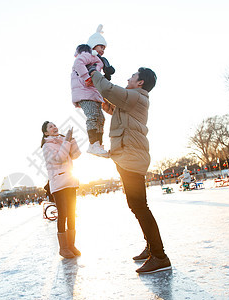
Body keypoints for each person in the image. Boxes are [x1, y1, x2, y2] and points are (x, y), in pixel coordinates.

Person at [88, 66, 171, 273]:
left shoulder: (136, 97)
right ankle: (152, 248)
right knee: (136, 206)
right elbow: (110, 106)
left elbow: (109, 91)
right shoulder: (130, 101)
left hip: (132, 158)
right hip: (126, 157)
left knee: (140, 206)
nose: (128, 78)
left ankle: (159, 256)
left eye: (133, 76)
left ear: (140, 82)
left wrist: (93, 72)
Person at [71, 24, 114, 157]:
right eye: (101, 47)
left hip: (93, 93)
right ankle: (93, 144)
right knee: (93, 116)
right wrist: (86, 77)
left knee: (101, 119)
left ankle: (98, 145)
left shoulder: (98, 60)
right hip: (84, 92)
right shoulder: (87, 54)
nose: (103, 50)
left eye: (104, 48)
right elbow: (78, 64)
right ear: (94, 45)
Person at [41, 121, 81, 259]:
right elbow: (59, 158)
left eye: (54, 125)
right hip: (59, 183)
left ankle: (71, 245)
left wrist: (72, 140)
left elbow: (75, 155)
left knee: (71, 213)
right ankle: (63, 248)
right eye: (50, 127)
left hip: (70, 180)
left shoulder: (63, 140)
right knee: (63, 214)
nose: (54, 127)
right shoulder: (47, 146)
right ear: (46, 133)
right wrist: (67, 142)